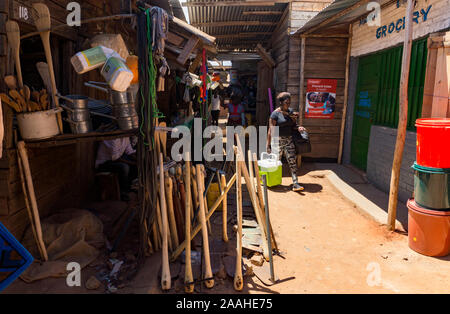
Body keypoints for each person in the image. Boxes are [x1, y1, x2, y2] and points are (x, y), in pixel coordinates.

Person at [267, 92, 306, 192]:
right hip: (277, 142)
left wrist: (299, 127)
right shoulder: (275, 114)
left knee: (292, 161)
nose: (288, 104)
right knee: (275, 163)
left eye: (289, 102)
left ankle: (295, 183)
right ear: (281, 102)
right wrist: (268, 145)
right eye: (286, 102)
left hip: (289, 140)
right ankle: (273, 181)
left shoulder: (291, 112)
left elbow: (293, 125)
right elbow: (271, 131)